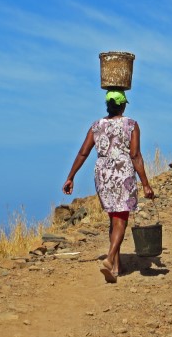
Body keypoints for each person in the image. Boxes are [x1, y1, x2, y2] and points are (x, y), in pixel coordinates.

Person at [62, 89, 154, 283]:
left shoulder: (97, 125)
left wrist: (71, 177)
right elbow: (135, 155)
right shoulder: (131, 125)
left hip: (103, 173)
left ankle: (116, 267)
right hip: (122, 172)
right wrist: (145, 184)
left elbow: (83, 152)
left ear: (107, 105)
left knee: (114, 217)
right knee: (121, 218)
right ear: (123, 105)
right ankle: (110, 258)